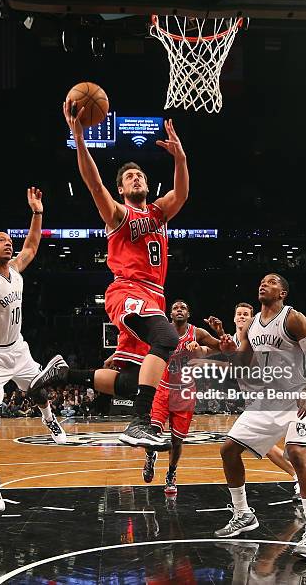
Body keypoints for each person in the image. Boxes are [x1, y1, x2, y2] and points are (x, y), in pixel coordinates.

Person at [63, 100, 189, 449]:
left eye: (140, 175)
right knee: (167, 339)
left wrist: (180, 158)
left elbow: (182, 193)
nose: (136, 178)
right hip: (128, 289)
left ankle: (65, 374)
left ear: (148, 185)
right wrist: (79, 139)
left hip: (155, 295)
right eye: (129, 177)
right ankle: (140, 422)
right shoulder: (118, 214)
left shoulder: (159, 212)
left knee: (134, 380)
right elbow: (92, 182)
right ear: (121, 189)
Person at [0, 187, 69, 513]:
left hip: (17, 349)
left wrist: (37, 213)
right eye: (1, 240)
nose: (8, 242)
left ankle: (49, 420)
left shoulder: (16, 269)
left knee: (39, 390)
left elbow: (32, 245)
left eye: (10, 239)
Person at [214, 274, 306, 560]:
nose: (264, 284)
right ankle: (243, 515)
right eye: (262, 281)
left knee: (296, 452)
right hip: (269, 399)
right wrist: (230, 352)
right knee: (228, 449)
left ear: (283, 293)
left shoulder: (293, 319)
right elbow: (244, 364)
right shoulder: (252, 325)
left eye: (272, 281)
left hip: (301, 395)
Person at [206, 302, 306, 490]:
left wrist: (209, 365)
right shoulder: (236, 339)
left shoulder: (256, 337)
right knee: (275, 445)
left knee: (292, 444)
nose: (242, 317)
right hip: (255, 398)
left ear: (252, 317)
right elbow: (225, 353)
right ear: (234, 317)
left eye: (246, 314)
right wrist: (216, 337)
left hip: (271, 393)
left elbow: (249, 369)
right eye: (239, 314)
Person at [142, 300, 223, 495]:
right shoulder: (161, 330)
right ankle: (150, 456)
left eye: (183, 308)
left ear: (188, 313)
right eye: (175, 308)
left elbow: (222, 347)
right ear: (170, 314)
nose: (179, 310)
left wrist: (216, 335)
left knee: (177, 441)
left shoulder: (198, 333)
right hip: (162, 389)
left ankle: (171, 474)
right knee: (151, 432)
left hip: (185, 392)